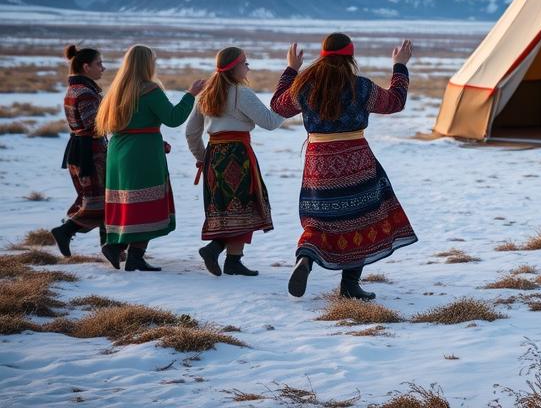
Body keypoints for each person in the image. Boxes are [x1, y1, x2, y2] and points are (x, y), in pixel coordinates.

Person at [270, 33, 418, 299]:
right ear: (350, 57)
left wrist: (291, 70)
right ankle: (350, 286)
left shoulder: (305, 85)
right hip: (356, 158)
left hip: (318, 161)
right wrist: (400, 66)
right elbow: (395, 102)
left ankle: (305, 256)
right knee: (360, 218)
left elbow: (278, 107)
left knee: (319, 217)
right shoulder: (360, 87)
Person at [95, 44, 204, 271]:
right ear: (147, 64)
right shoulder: (150, 90)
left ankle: (118, 246)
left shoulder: (117, 90)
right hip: (142, 154)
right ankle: (132, 255)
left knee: (128, 202)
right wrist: (190, 95)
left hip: (118, 151)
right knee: (146, 203)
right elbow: (173, 118)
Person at [186, 47, 285, 277]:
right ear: (235, 66)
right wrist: (285, 109)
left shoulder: (206, 94)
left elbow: (191, 132)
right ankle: (217, 250)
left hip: (215, 155)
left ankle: (232, 261)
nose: (248, 67)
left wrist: (203, 158)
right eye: (245, 63)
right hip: (238, 156)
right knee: (244, 206)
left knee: (225, 208)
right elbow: (269, 122)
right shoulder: (242, 93)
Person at [51, 45, 108, 258]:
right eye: (99, 64)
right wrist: (117, 121)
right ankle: (65, 231)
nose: (103, 68)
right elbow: (95, 127)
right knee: (99, 200)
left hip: (80, 148)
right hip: (90, 152)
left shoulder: (75, 89)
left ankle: (111, 248)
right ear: (86, 67)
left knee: (101, 198)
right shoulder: (85, 92)